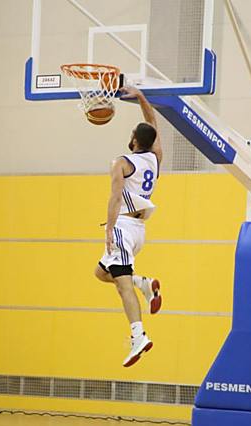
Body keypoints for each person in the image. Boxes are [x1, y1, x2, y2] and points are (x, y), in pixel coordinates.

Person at [93, 86, 163, 367]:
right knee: (100, 273)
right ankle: (143, 284)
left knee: (122, 287)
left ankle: (138, 335)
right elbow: (154, 126)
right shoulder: (155, 159)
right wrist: (142, 98)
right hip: (139, 230)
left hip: (122, 227)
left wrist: (109, 230)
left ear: (133, 139)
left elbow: (114, 197)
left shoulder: (121, 162)